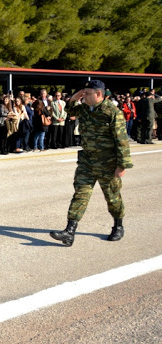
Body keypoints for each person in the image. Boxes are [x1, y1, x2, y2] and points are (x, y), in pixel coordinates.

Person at [50, 80, 132, 247]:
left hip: (107, 162)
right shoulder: (85, 108)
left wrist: (122, 165)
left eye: (87, 93)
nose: (84, 96)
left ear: (99, 94)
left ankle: (118, 226)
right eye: (84, 93)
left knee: (112, 196)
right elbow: (70, 111)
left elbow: (122, 139)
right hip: (87, 160)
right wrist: (74, 97)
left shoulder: (112, 112)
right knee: (80, 193)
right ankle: (69, 231)